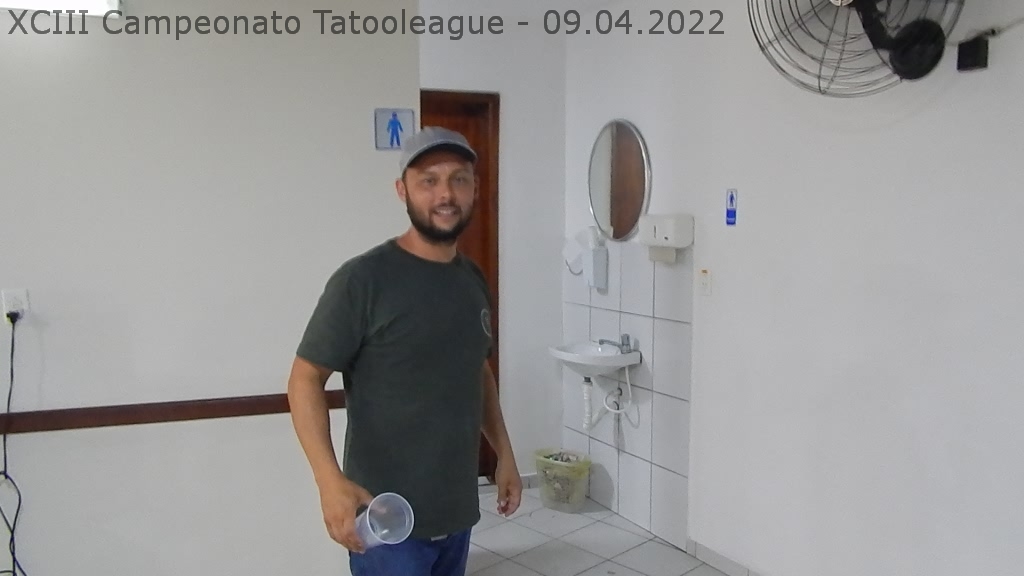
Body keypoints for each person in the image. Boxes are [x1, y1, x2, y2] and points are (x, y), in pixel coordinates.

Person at [287, 126, 522, 576]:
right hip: (386, 518)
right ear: (402, 191)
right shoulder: (364, 280)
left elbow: (477, 370)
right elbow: (305, 377)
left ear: (474, 188)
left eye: (458, 179)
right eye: (428, 181)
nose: (445, 194)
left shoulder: (471, 280)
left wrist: (504, 453)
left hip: (456, 510)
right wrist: (328, 481)